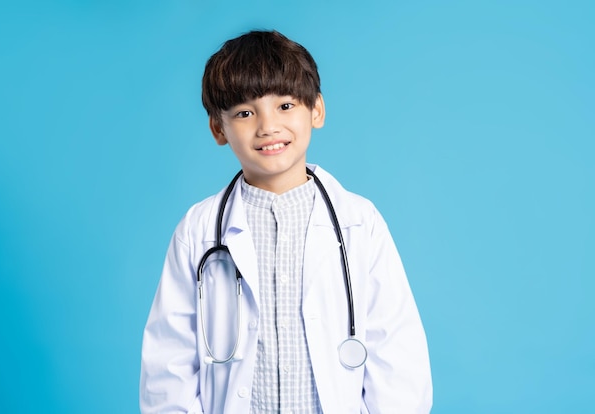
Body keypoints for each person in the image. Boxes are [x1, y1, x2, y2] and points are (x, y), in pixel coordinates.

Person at [139, 30, 432, 413]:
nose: (267, 127)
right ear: (218, 129)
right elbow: (168, 365)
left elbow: (398, 357)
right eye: (245, 113)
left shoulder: (360, 223)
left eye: (285, 106)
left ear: (317, 110)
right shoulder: (198, 231)